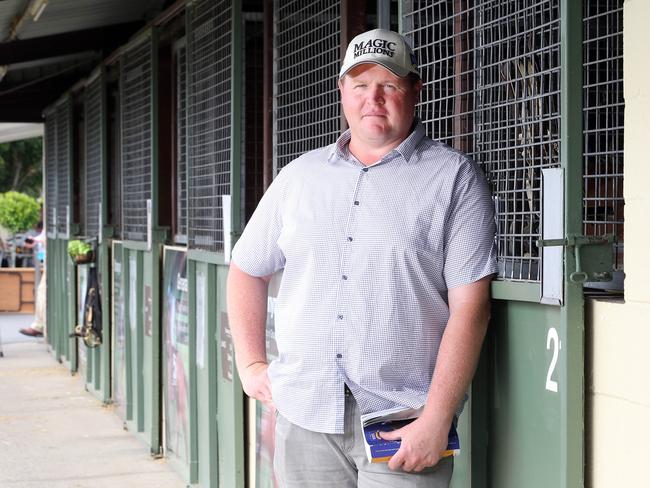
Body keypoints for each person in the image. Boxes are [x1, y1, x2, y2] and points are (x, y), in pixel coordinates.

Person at [227, 29, 497, 487]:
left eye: (388, 85)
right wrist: (250, 362)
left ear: (414, 90)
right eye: (360, 84)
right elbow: (246, 268)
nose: (373, 98)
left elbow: (472, 309)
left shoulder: (454, 179)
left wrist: (437, 417)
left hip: (404, 423)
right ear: (342, 92)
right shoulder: (298, 177)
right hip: (306, 414)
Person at [20, 227, 46, 337]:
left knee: (42, 292)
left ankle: (39, 326)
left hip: (52, 260)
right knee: (41, 291)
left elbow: (46, 238)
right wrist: (35, 240)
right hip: (47, 259)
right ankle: (39, 325)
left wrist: (37, 240)